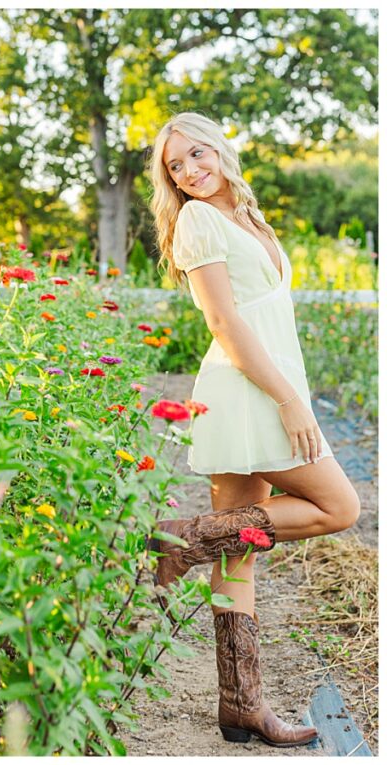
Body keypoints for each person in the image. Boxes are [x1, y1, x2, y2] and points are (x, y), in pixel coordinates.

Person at [146, 112, 360, 748]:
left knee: (236, 552)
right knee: (339, 507)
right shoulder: (197, 219)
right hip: (248, 392)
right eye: (175, 166)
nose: (189, 171)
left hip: (265, 384)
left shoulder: (244, 213)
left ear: (219, 148)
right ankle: (183, 537)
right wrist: (289, 401)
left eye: (196, 154)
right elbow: (224, 322)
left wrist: (292, 392)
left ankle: (241, 705)